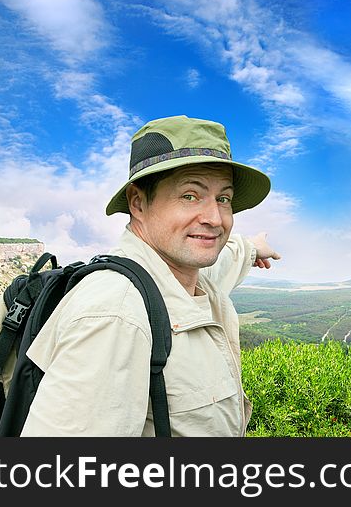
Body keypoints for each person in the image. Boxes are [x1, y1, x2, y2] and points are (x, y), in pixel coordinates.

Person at [18, 115, 279, 436]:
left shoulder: (187, 276)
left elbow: (226, 258)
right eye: (190, 196)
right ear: (138, 203)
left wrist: (254, 247)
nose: (215, 218)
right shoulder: (117, 314)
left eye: (223, 198)